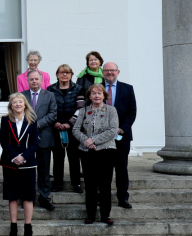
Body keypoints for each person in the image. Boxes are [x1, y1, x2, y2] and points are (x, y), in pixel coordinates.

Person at [73, 84, 119, 226]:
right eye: (94, 93)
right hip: (87, 152)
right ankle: (90, 215)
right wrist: (86, 141)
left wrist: (93, 140)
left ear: (104, 96)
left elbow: (112, 130)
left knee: (105, 184)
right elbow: (75, 129)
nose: (97, 96)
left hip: (106, 151)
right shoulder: (83, 111)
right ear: (89, 96)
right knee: (90, 184)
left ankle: (106, 215)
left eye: (99, 93)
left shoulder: (111, 110)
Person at [0, 94, 39, 236]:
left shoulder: (32, 121)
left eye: (20, 102)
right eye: (14, 102)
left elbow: (35, 142)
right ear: (11, 105)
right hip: (10, 163)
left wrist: (24, 157)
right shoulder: (5, 120)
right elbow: (3, 140)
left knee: (28, 196)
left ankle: (28, 228)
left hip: (27, 163)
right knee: (12, 196)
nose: (17, 104)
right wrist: (14, 156)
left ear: (25, 104)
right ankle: (13, 228)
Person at [21, 70, 57, 211]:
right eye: (31, 79)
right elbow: (16, 112)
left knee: (44, 170)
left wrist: (37, 124)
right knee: (25, 169)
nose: (34, 81)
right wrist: (28, 124)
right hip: (25, 138)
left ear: (41, 80)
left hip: (44, 137)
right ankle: (25, 196)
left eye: (36, 79)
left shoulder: (50, 95)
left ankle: (44, 197)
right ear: (28, 81)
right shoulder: (22, 96)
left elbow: (53, 114)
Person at [103, 62, 137, 209]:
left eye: (113, 70)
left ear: (118, 72)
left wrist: (120, 129)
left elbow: (132, 112)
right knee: (104, 168)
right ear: (102, 72)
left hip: (121, 136)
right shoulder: (97, 89)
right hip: (102, 138)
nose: (110, 73)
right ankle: (103, 197)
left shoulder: (127, 89)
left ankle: (123, 197)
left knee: (122, 168)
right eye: (107, 70)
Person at [47, 64, 85, 194]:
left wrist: (70, 123)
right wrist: (55, 122)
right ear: (57, 74)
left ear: (71, 75)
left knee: (74, 157)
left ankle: (76, 184)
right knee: (58, 157)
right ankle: (57, 184)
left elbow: (81, 109)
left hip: (73, 129)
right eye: (62, 72)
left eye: (67, 73)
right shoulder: (50, 89)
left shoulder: (78, 89)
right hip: (56, 128)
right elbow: (48, 109)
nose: (64, 75)